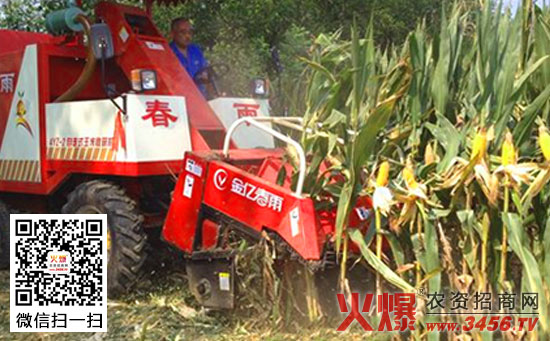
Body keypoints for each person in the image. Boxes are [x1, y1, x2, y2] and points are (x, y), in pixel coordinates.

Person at [169, 18, 210, 96]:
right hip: (179, 99)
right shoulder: (167, 53)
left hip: (200, 98)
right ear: (172, 34)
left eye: (190, 32)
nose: (187, 36)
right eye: (183, 32)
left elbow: (206, 72)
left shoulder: (196, 51)